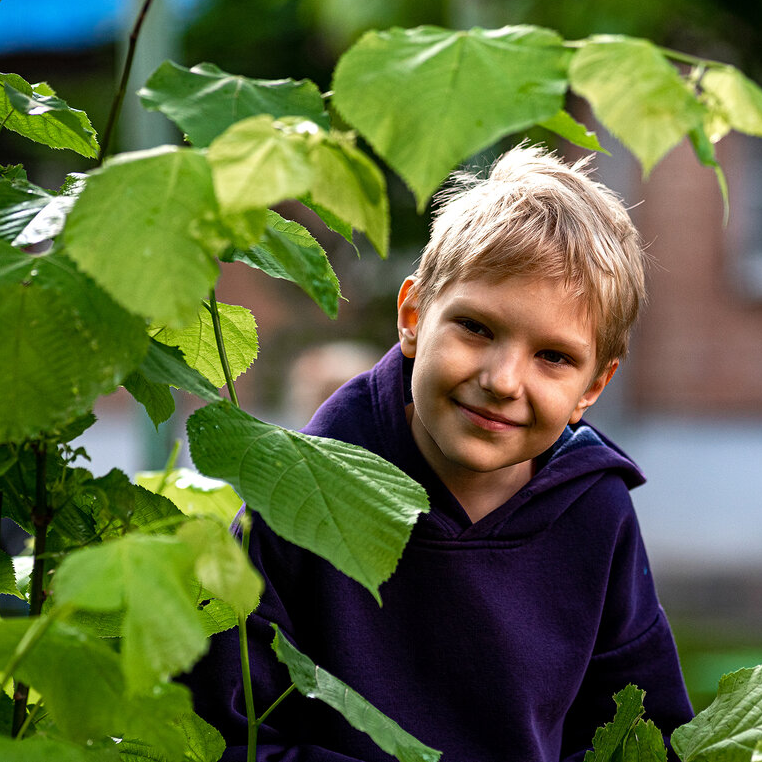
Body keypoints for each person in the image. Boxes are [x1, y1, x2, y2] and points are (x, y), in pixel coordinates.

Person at [185, 145, 694, 761]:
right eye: (476, 328)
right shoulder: (296, 498)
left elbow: (645, 735)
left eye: (553, 357)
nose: (504, 380)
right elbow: (220, 737)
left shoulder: (597, 512)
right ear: (413, 316)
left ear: (592, 386)